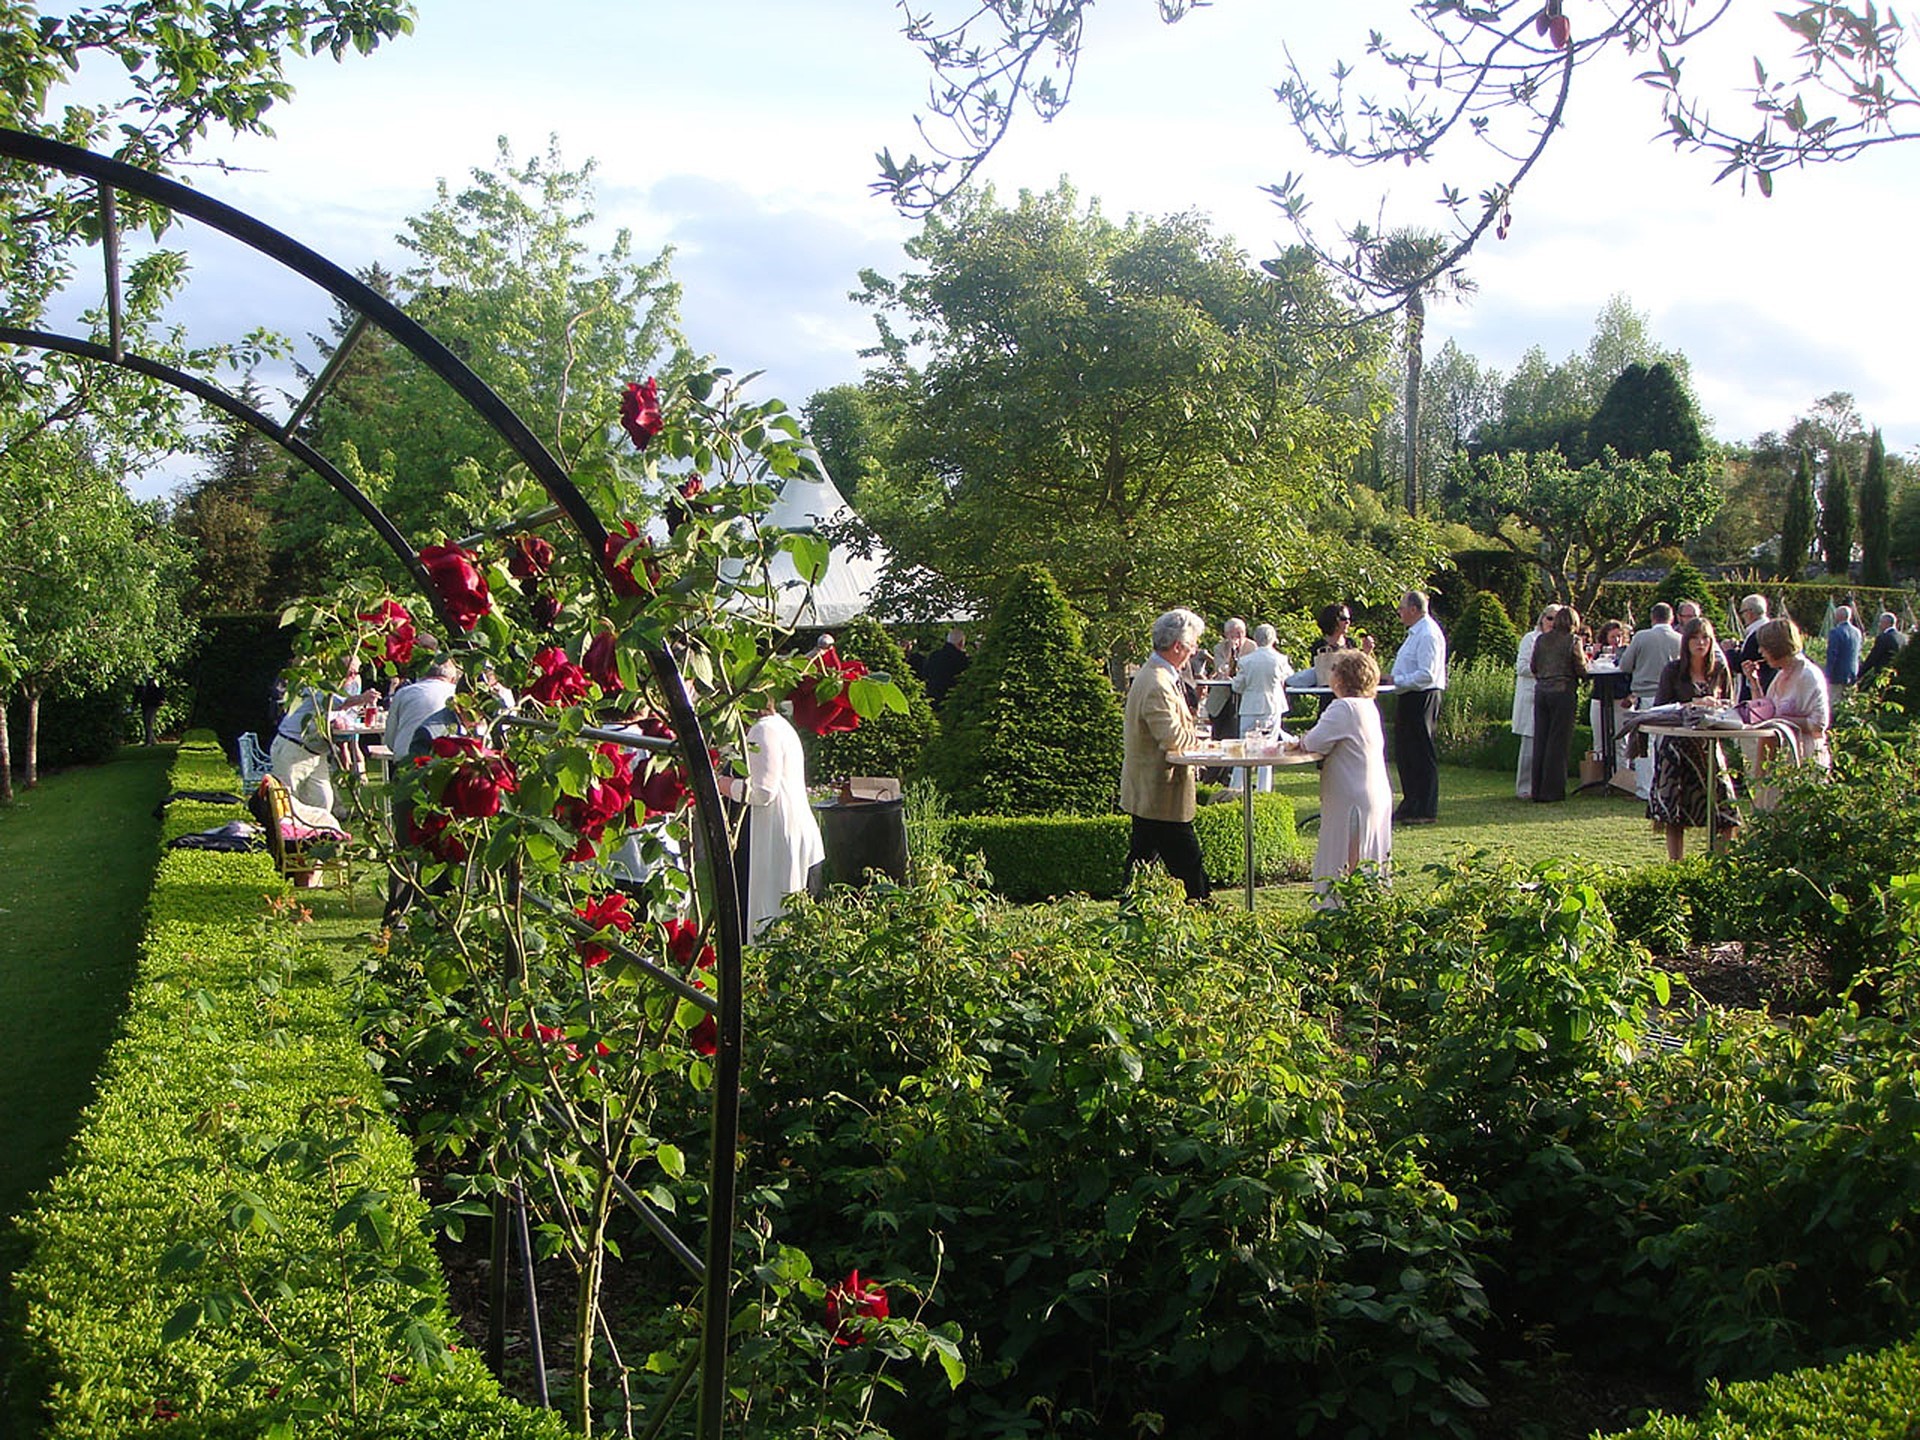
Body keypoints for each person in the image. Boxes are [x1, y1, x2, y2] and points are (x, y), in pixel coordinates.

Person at [1121, 608, 1211, 901]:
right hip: (1160, 793)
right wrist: (1203, 741)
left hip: (1150, 791)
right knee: (1189, 867)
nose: (1194, 651)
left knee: (1142, 861)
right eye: (1192, 644)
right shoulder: (1157, 682)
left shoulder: (1155, 675)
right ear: (1177, 646)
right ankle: (1204, 914)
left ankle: (1129, 913)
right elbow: (1172, 739)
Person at [1292, 648, 1391, 904]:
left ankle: (1340, 912)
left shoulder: (1344, 707)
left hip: (1352, 796)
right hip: (1373, 790)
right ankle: (1365, 908)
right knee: (1367, 860)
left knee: (1346, 860)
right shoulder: (1368, 706)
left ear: (1342, 677)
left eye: (1334, 669)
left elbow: (1314, 742)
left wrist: (1300, 740)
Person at [720, 703, 826, 940]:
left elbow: (763, 792)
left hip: (774, 839)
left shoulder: (763, 730)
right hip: (787, 831)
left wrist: (721, 784)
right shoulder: (780, 726)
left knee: (771, 920)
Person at [1648, 616, 1739, 861]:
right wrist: (1693, 704)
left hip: (1709, 745)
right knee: (1674, 810)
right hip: (1676, 746)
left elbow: (1731, 705)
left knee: (1725, 806)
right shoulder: (1673, 670)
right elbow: (1660, 708)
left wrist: (1717, 705)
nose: (1701, 643)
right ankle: (1676, 864)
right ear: (1686, 641)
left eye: (1705, 638)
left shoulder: (1719, 670)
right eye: (1695, 638)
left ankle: (1721, 861)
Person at [382, 655, 463, 928]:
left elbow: (390, 740)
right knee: (452, 845)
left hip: (408, 773)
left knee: (405, 847)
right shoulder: (457, 696)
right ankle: (441, 908)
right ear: (452, 677)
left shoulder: (405, 693)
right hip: (448, 778)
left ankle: (396, 916)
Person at [1389, 590, 1447, 824]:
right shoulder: (1415, 633)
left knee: (1420, 752)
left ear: (1414, 609)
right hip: (1409, 696)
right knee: (1406, 753)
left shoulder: (1428, 634)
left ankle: (1424, 808)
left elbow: (1426, 674)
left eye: (1402, 608)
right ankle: (1411, 803)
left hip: (1422, 697)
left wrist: (1397, 680)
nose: (1399, 612)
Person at [1615, 602, 1683, 798]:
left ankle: (1645, 789)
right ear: (1672, 618)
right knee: (1668, 742)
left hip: (1645, 695)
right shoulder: (1680, 639)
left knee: (1644, 744)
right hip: (1671, 699)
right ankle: (1668, 786)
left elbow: (1625, 665)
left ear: (1653, 617)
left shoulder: (1642, 637)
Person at [1749, 617, 1832, 773]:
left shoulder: (1808, 676)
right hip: (1780, 758)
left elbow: (1818, 724)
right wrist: (1754, 682)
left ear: (1776, 647)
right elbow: (1764, 713)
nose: (1760, 652)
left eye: (1764, 647)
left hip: (1804, 759)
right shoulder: (1781, 675)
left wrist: (1779, 721)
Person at [1530, 605, 1590, 803]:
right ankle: (1552, 791)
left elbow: (1533, 666)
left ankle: (1537, 789)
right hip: (1562, 691)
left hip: (1542, 691)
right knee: (1558, 742)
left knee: (1541, 739)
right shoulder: (1573, 640)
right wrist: (1587, 672)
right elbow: (1580, 667)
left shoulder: (1541, 639)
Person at [1231, 623, 1294, 792]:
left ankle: (1237, 787)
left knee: (1243, 748)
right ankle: (1263, 789)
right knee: (1269, 748)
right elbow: (1289, 677)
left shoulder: (1246, 661)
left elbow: (1237, 686)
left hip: (1250, 706)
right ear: (1273, 639)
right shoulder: (1280, 659)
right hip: (1273, 705)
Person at [1512, 605, 1558, 799]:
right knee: (1530, 746)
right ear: (1542, 619)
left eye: (1557, 619)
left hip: (1551, 696)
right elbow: (1522, 667)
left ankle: (1543, 785)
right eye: (1549, 618)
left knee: (1548, 744)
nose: (1552, 623)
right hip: (1531, 696)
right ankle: (1524, 787)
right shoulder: (1530, 639)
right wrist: (1546, 670)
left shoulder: (1559, 641)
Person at [1203, 617, 1252, 743]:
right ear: (1226, 634)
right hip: (1222, 697)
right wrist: (1231, 653)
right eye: (1233, 634)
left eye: (1240, 633)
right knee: (1219, 734)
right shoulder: (1219, 648)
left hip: (1242, 697)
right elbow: (1221, 669)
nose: (1237, 637)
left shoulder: (1253, 648)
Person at [1308, 602, 1375, 664]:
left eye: (1349, 619)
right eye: (1343, 618)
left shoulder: (1351, 643)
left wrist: (1366, 652)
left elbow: (1357, 668)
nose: (1347, 622)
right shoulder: (1318, 647)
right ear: (1332, 620)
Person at [922, 628, 971, 708]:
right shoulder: (962, 659)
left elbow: (925, 674)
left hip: (933, 696)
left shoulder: (934, 655)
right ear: (961, 643)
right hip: (953, 700)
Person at [1859, 611, 1908, 684]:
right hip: (1898, 673)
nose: (1879, 625)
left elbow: (1874, 657)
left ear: (1886, 623)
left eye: (1881, 622)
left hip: (1883, 674)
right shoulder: (1904, 638)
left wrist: (1860, 673)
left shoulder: (1883, 638)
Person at [1825, 605, 1863, 688]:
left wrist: (1827, 674)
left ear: (1838, 616)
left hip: (1837, 676)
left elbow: (1832, 655)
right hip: (1852, 673)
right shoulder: (1857, 632)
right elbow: (1859, 652)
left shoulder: (1835, 632)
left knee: (1835, 695)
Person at [134, 677, 165, 746]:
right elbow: (138, 694)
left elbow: (159, 692)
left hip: (153, 705)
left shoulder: (154, 685)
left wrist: (161, 699)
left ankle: (149, 741)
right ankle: (152, 740)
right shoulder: (142, 685)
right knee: (147, 723)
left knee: (148, 722)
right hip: (146, 705)